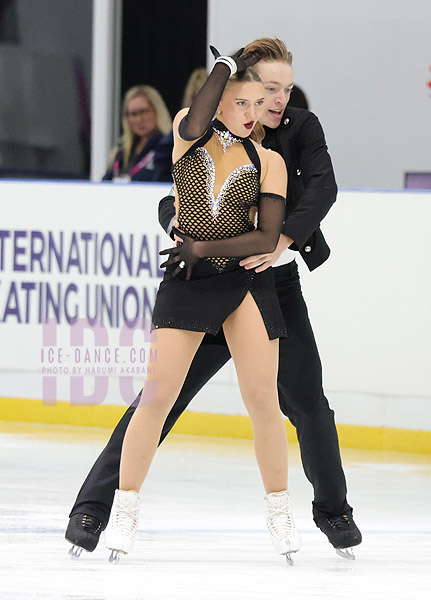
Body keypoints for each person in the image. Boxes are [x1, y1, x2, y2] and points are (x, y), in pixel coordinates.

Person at [66, 38, 362, 560]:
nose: (275, 100)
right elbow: (175, 192)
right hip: (200, 278)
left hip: (270, 284)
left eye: (284, 90)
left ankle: (331, 513)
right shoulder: (206, 129)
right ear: (235, 91)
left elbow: (321, 190)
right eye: (267, 89)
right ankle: (95, 509)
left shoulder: (296, 132)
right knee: (158, 398)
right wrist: (181, 229)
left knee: (305, 403)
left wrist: (281, 243)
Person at [92, 46, 301, 563]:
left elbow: (264, 238)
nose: (254, 113)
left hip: (240, 279)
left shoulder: (269, 160)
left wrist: (200, 248)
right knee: (157, 396)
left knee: (262, 400)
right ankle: (125, 506)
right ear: (221, 100)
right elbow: (197, 116)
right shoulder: (191, 135)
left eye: (260, 102)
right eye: (243, 101)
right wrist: (226, 66)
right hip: (187, 281)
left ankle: (279, 509)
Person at [102, 85, 172, 182]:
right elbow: (105, 183)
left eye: (143, 112)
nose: (139, 119)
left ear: (157, 111)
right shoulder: (121, 149)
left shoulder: (168, 148)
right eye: (133, 114)